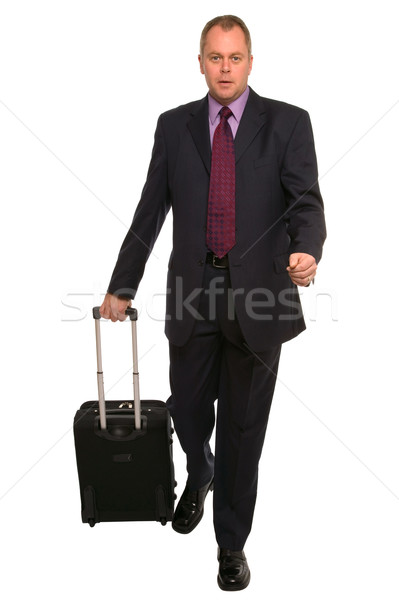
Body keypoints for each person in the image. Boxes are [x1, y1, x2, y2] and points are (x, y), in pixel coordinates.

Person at [100, 15, 326, 591]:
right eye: (215, 57)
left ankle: (230, 543)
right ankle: (198, 471)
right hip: (192, 295)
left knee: (243, 431)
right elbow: (150, 211)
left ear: (251, 62)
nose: (225, 68)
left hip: (262, 297)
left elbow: (307, 202)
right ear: (199, 62)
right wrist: (121, 285)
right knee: (189, 410)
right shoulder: (174, 127)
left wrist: (308, 250)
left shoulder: (288, 123)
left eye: (235, 58)